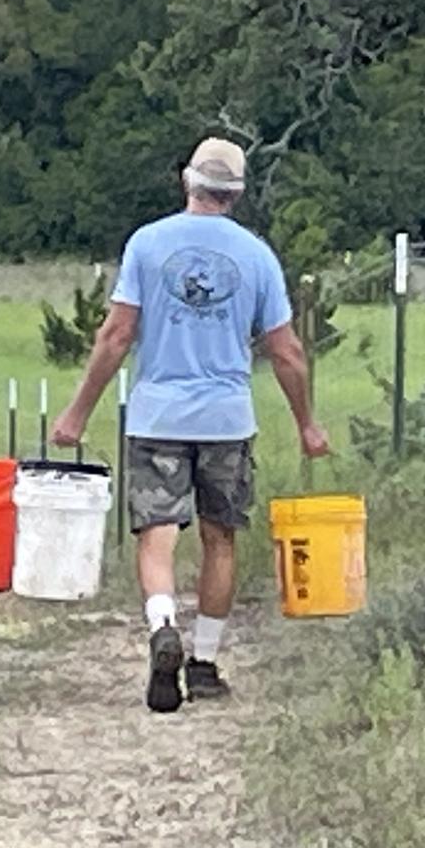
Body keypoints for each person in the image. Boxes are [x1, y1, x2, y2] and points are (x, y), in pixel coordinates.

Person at [53, 138, 331, 713]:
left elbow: (116, 335)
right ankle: (203, 663)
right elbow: (287, 351)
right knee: (219, 538)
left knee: (157, 530)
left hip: (158, 412)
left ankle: (162, 625)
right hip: (227, 418)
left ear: (188, 182)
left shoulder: (147, 244)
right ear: (238, 193)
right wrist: (307, 423)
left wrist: (78, 411)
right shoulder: (257, 255)